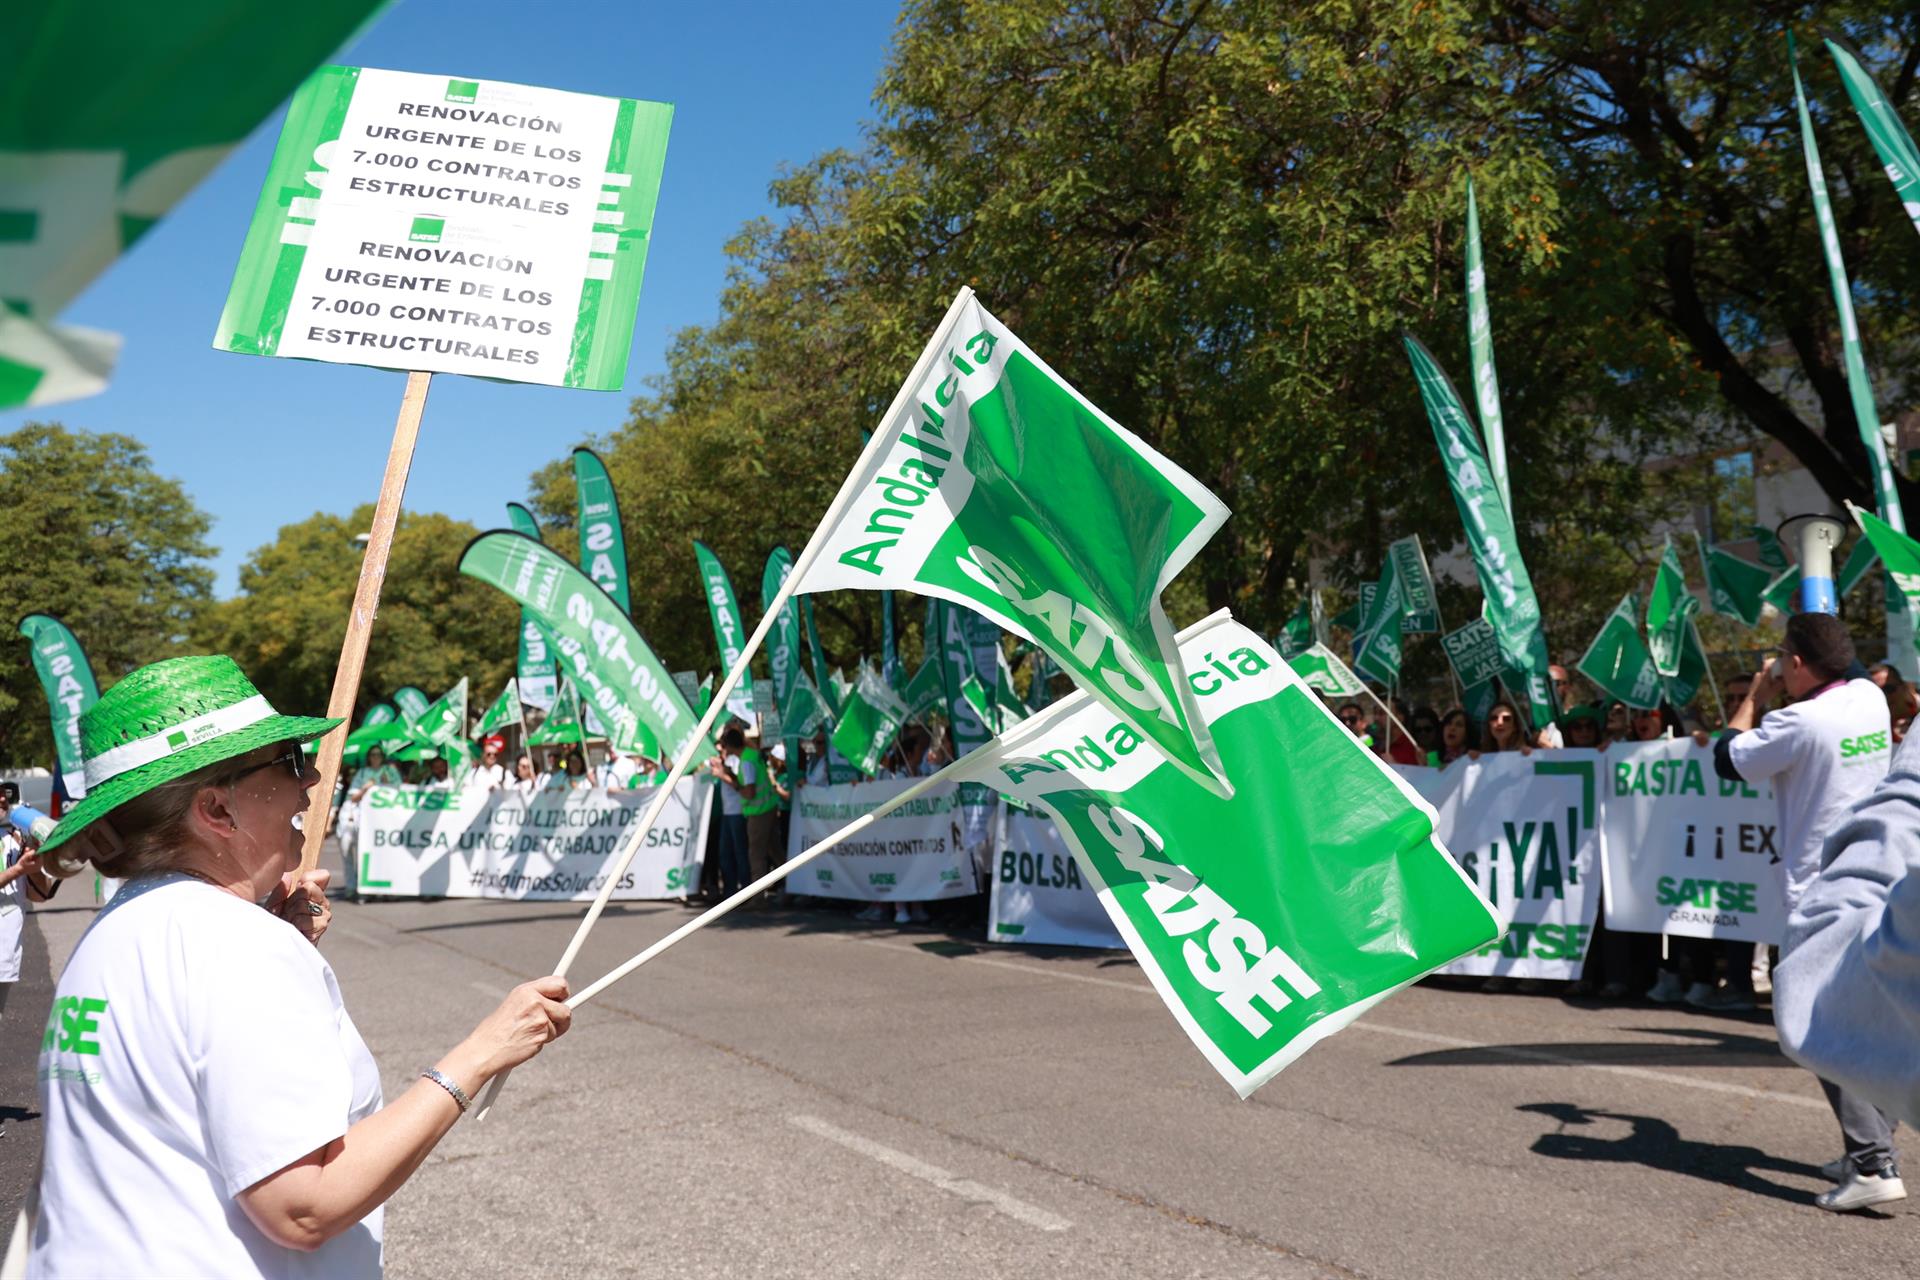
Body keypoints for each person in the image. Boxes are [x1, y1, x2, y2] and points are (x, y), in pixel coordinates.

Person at [27, 655, 570, 1275]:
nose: (311, 776)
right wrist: (482, 1051)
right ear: (217, 811)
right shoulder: (234, 945)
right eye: (287, 760)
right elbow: (301, 1206)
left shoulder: (116, 929)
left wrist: (274, 948)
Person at [1709, 613, 1901, 1212]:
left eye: (1782, 661)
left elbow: (1726, 758)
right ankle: (1872, 1146)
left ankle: (1873, 1165)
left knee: (1819, 1028)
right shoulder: (1869, 697)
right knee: (1873, 1023)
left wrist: (1756, 698)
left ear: (1795, 663)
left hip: (1818, 895)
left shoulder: (1797, 719)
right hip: (1879, 880)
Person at [707, 724, 752, 897]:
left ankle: (745, 891)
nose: (722, 750)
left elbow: (738, 784)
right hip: (727, 813)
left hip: (738, 812)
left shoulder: (738, 760)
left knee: (740, 853)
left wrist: (721, 774)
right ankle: (729, 891)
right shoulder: (726, 760)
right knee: (724, 854)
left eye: (724, 747)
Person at [739, 724, 779, 903]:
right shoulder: (753, 755)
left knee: (757, 855)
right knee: (776, 852)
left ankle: (757, 898)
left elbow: (749, 792)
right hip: (769, 808)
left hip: (759, 812)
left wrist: (733, 783)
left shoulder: (747, 760)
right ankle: (795, 887)